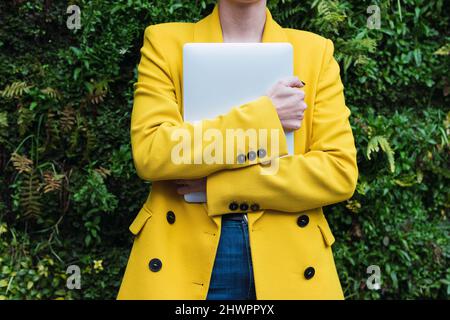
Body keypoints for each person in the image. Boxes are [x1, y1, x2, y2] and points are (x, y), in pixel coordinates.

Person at [118, 0, 358, 300]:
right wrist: (266, 117)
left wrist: (220, 187)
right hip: (185, 249)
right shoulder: (165, 43)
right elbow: (152, 152)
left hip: (288, 258)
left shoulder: (315, 52)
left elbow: (338, 172)